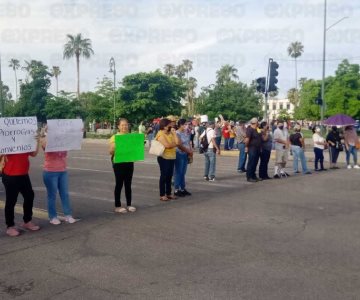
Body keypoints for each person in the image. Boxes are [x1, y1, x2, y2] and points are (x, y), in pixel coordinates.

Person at [2, 137, 41, 237]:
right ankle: (10, 226)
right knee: (11, 201)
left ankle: (27, 221)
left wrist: (37, 141)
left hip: (23, 174)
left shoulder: (25, 143)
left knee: (29, 196)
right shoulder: (7, 142)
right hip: (10, 175)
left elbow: (33, 154)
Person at [41, 132, 77, 225]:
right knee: (52, 195)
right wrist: (46, 134)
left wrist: (78, 131)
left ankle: (68, 215)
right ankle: (52, 217)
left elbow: (74, 140)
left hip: (62, 171)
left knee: (65, 194)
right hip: (50, 171)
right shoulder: (47, 140)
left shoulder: (64, 140)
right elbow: (44, 145)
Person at [109, 118, 137, 213]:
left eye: (126, 125)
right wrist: (116, 146)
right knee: (119, 184)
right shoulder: (115, 137)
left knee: (128, 184)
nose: (125, 127)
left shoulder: (131, 136)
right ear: (118, 126)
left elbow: (135, 149)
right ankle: (118, 206)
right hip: (118, 163)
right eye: (122, 125)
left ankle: (129, 204)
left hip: (129, 161)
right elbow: (110, 151)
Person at [155, 118, 179, 201]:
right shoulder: (160, 134)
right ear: (164, 126)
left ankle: (168, 193)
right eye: (170, 125)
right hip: (163, 157)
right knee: (164, 176)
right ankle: (162, 194)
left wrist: (175, 134)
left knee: (169, 176)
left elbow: (178, 142)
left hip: (172, 156)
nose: (172, 126)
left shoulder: (171, 133)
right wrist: (174, 144)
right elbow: (167, 145)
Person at [174, 119, 193, 197]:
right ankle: (176, 189)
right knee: (178, 172)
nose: (187, 126)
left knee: (183, 172)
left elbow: (188, 142)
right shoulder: (177, 133)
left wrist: (190, 152)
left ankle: (182, 188)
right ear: (181, 125)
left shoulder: (186, 133)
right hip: (179, 153)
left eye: (187, 124)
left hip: (185, 153)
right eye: (185, 124)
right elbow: (179, 144)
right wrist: (187, 150)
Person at [244, 118, 262, 182]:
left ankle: (253, 176)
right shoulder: (249, 130)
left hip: (257, 148)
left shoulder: (257, 129)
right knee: (251, 162)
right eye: (258, 122)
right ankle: (249, 177)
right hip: (252, 148)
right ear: (255, 123)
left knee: (255, 162)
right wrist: (246, 146)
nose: (258, 123)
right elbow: (247, 139)